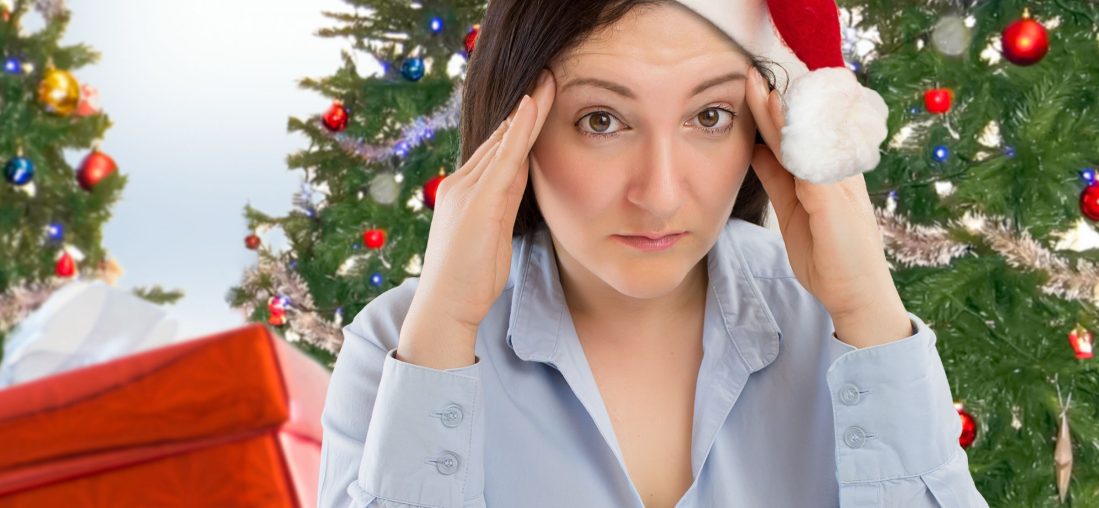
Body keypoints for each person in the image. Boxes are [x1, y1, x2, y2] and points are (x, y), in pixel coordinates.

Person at [318, 0, 990, 507]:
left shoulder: (843, 332)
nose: (661, 195)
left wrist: (870, 313)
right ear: (514, 131)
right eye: (602, 120)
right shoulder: (401, 343)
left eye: (709, 117)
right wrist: (444, 335)